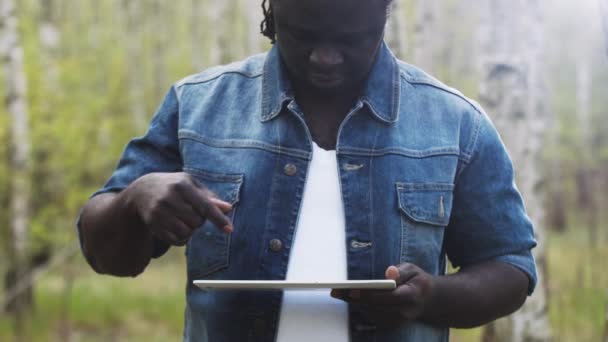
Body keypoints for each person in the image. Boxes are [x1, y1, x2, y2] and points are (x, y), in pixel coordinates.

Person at [77, 0, 538, 341]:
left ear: (385, 14)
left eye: (352, 39)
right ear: (271, 14)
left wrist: (431, 295)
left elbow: (510, 267)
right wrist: (136, 198)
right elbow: (106, 256)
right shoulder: (197, 106)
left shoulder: (455, 124)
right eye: (303, 35)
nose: (326, 58)